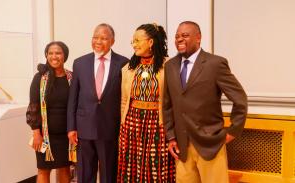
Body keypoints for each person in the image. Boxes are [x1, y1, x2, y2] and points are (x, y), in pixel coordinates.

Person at [163, 21, 248, 183]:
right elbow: (167, 105)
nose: (179, 39)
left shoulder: (215, 64)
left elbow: (240, 99)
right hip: (182, 147)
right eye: (177, 36)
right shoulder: (170, 66)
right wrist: (171, 137)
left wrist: (233, 131)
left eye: (185, 35)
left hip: (211, 144)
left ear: (198, 38)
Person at [67, 23, 129, 183]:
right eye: (95, 37)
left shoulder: (124, 63)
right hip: (84, 127)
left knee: (109, 173)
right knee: (85, 173)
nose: (98, 41)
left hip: (110, 127)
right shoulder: (80, 63)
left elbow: (125, 97)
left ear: (112, 41)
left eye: (103, 38)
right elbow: (73, 97)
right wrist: (71, 127)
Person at [117, 23, 175, 182]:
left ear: (151, 42)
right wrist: (123, 123)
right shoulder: (128, 68)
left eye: (137, 40)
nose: (134, 44)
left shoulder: (169, 65)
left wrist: (170, 127)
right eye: (132, 41)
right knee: (132, 167)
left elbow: (174, 101)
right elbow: (124, 99)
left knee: (156, 166)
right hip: (131, 123)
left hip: (158, 123)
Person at [26, 41, 72, 183]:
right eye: (50, 53)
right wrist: (36, 133)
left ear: (65, 55)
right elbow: (33, 106)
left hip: (67, 134)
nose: (54, 56)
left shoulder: (72, 77)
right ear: (46, 55)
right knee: (43, 170)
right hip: (44, 135)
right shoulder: (39, 78)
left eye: (58, 53)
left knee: (65, 168)